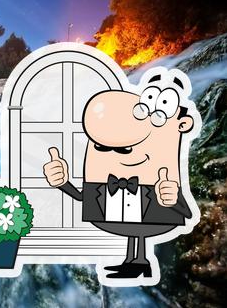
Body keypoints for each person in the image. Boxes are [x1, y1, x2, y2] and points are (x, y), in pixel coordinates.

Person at [43, 67, 197, 280]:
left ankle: (140, 262)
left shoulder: (161, 177)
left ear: (182, 124)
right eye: (103, 148)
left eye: (124, 148)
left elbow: (186, 213)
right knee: (135, 230)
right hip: (119, 211)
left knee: (140, 228)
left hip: (150, 208)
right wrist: (62, 182)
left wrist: (171, 199)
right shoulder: (104, 182)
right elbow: (82, 197)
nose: (118, 152)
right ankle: (135, 262)